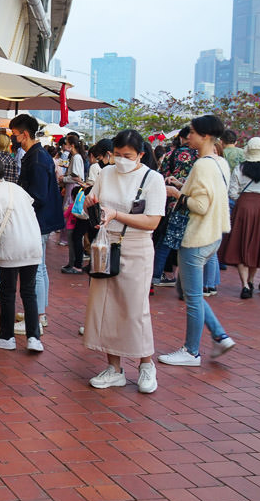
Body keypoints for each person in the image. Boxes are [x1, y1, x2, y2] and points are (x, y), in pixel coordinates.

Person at [81, 130, 166, 393]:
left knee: (135, 307)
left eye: (127, 156)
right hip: (105, 244)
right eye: (116, 155)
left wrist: (117, 214)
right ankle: (114, 367)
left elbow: (152, 220)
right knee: (105, 305)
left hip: (137, 246)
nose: (120, 160)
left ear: (141, 154)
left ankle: (146, 364)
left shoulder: (153, 179)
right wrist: (90, 205)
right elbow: (89, 205)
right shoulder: (106, 173)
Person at [159, 115, 236, 368]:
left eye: (191, 132)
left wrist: (176, 193)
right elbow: (210, 195)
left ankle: (192, 351)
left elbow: (200, 205)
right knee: (193, 294)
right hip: (213, 235)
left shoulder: (203, 164)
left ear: (204, 136)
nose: (187, 136)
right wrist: (182, 185)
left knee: (192, 297)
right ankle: (220, 336)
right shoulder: (218, 162)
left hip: (196, 236)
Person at [0, 154, 44, 353]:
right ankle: (34, 338)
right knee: (29, 292)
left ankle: (6, 336)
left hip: (11, 247)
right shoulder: (17, 188)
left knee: (8, 292)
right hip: (33, 244)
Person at [9, 114, 63, 335]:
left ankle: (38, 316)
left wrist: (19, 199)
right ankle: (40, 313)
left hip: (38, 220)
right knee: (40, 267)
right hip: (41, 218)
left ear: (24, 134)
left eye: (14, 134)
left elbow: (38, 195)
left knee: (37, 268)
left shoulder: (37, 158)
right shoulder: (35, 155)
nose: (13, 138)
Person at [218, 137, 260, 298]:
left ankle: (245, 284)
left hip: (244, 207)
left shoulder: (240, 168)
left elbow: (232, 192)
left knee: (240, 243)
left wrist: (244, 199)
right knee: (258, 245)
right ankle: (251, 280)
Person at [152, 127, 198, 287]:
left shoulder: (170, 155)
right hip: (194, 204)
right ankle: (195, 282)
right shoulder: (199, 157)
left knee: (165, 241)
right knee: (191, 245)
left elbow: (161, 176)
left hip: (173, 203)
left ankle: (157, 275)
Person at [64, 139, 112, 274]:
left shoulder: (97, 168)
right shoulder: (108, 170)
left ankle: (78, 265)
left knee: (79, 235)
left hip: (91, 207)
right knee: (93, 236)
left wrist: (82, 183)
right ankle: (93, 264)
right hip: (100, 209)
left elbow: (92, 188)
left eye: (99, 157)